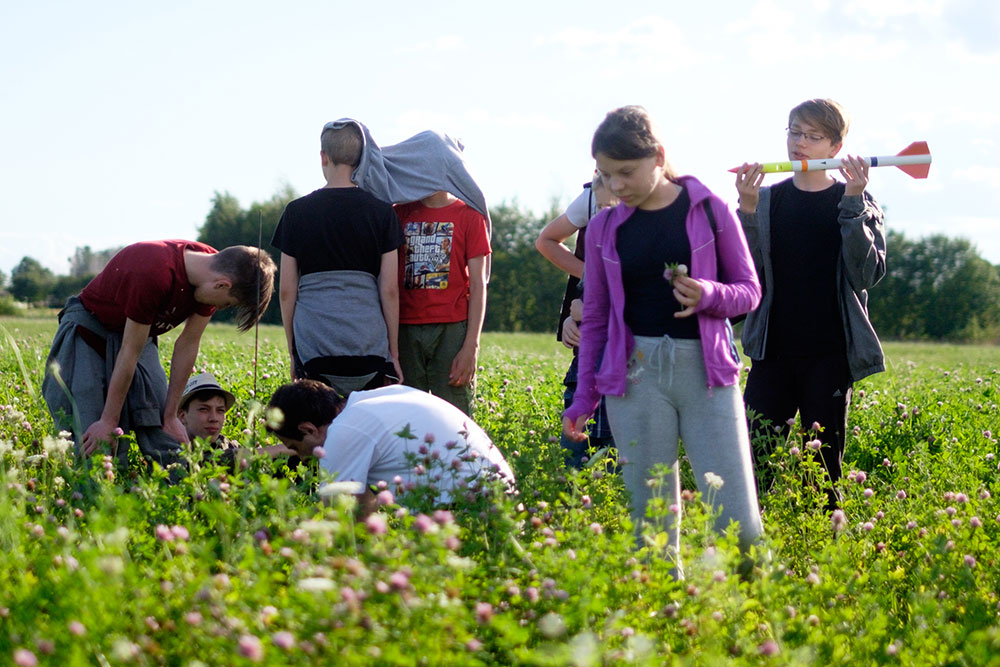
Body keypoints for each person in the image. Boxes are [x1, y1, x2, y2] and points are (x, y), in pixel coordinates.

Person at [562, 106, 763, 566]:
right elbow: (595, 321)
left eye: (626, 173)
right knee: (650, 528)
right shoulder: (601, 229)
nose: (616, 187)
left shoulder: (709, 209)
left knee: (738, 523)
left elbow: (750, 292)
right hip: (635, 380)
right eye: (606, 176)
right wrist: (584, 400)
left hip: (707, 376)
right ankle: (664, 623)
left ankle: (760, 620)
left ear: (659, 157)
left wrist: (709, 293)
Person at [734, 98, 886, 502]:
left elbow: (865, 274)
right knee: (753, 462)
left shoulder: (860, 201)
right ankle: (747, 550)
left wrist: (853, 200)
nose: (800, 143)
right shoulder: (767, 201)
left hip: (830, 356)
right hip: (772, 354)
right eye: (794, 132)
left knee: (822, 471)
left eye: (813, 136)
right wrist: (746, 211)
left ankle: (824, 552)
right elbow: (745, 274)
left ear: (835, 147)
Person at [42, 241, 275, 466]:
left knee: (160, 417)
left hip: (138, 333)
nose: (222, 308)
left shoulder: (213, 268)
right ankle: (93, 491)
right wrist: (108, 420)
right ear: (222, 285)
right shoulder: (154, 272)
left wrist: (171, 415)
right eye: (228, 304)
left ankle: (179, 486)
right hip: (89, 328)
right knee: (93, 428)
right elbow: (129, 351)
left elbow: (188, 343)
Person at [272, 121, 405, 394]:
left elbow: (286, 291)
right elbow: (389, 290)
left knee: (319, 428)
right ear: (359, 159)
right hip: (368, 345)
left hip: (315, 345)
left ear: (323, 156)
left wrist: (294, 351)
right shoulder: (382, 213)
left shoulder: (296, 212)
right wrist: (393, 353)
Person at [266, 380, 514, 516]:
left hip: (469, 510)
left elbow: (343, 519)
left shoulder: (342, 432)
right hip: (501, 495)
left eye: (296, 447)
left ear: (309, 429)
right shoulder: (374, 400)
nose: (301, 457)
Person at [535, 174, 618, 467]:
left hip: (627, 366)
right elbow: (546, 240)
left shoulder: (655, 224)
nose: (604, 215)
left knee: (614, 456)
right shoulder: (591, 200)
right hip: (587, 358)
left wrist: (588, 313)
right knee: (574, 455)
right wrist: (574, 316)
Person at [395, 191, 490, 415]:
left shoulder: (470, 215)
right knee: (407, 417)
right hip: (404, 328)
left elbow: (478, 285)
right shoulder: (398, 213)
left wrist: (471, 347)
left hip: (452, 330)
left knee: (456, 416)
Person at [177, 372, 238, 450]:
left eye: (220, 410)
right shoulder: (168, 450)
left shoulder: (225, 445)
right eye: (204, 409)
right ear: (182, 416)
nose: (214, 418)